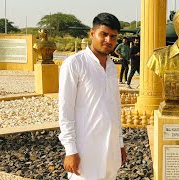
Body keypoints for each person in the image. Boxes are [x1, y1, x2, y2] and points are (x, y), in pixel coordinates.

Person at [58, 12, 127, 180]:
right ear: (92, 33)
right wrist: (70, 150)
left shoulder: (111, 66)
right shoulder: (74, 64)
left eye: (113, 36)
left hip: (110, 148)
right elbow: (65, 110)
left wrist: (120, 144)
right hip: (85, 148)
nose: (108, 40)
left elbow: (115, 107)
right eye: (103, 34)